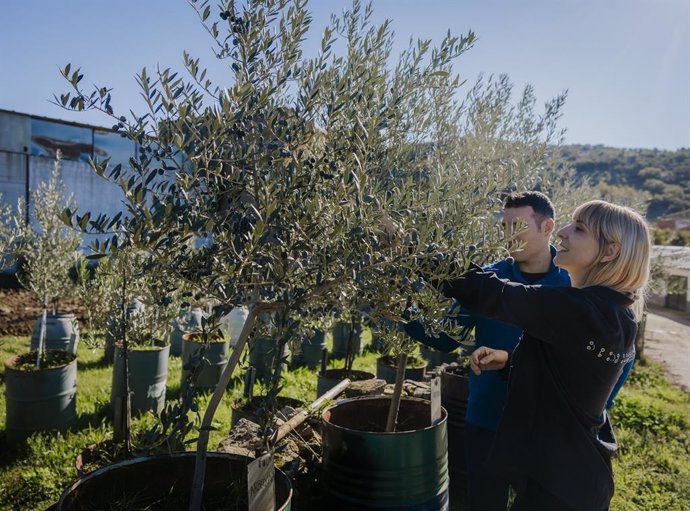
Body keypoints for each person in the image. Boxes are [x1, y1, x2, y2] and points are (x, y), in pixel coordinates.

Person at [441, 200, 650, 511]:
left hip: (558, 488)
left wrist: (416, 251)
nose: (563, 232)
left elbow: (491, 293)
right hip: (575, 479)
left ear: (610, 252)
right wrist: (509, 360)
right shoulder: (617, 314)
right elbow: (573, 373)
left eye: (579, 229)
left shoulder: (579, 309)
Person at [405, 191, 571, 510]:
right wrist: (402, 311)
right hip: (486, 418)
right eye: (504, 227)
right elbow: (446, 337)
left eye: (516, 226)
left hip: (546, 425)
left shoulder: (571, 284)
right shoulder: (489, 278)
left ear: (547, 226)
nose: (508, 236)